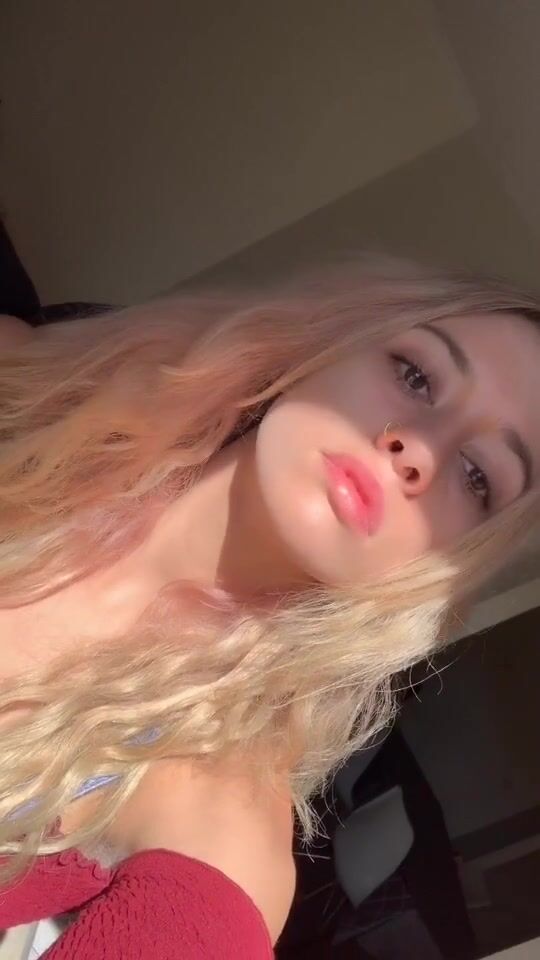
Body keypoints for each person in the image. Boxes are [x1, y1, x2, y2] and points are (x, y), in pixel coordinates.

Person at [0, 253, 538, 957]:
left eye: (476, 476)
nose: (419, 450)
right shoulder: (29, 384)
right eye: (415, 375)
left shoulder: (219, 823)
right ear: (331, 341)